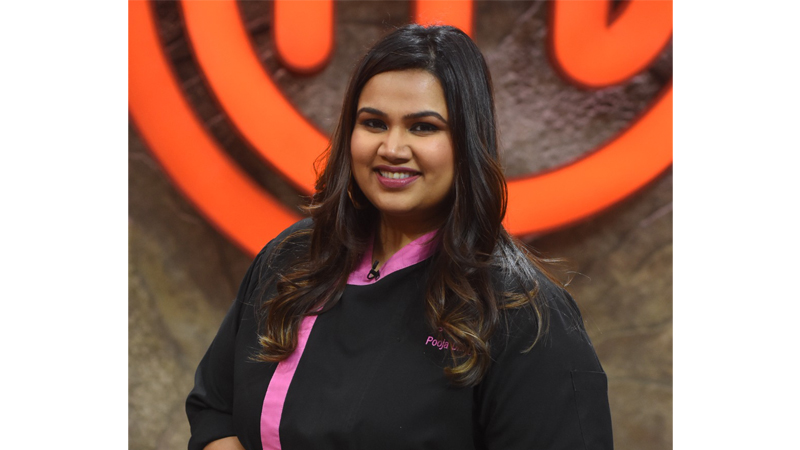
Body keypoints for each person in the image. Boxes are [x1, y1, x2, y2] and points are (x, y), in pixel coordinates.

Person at [186, 24, 613, 450]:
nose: (391, 148)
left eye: (422, 127)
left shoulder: (525, 315)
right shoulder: (293, 257)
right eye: (373, 123)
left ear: (467, 142)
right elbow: (215, 409)